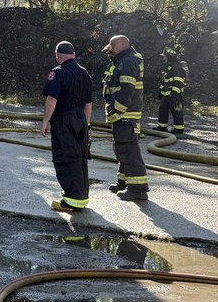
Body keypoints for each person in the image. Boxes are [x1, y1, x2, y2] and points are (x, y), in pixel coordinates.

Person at [41, 40, 93, 213]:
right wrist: (85, 124)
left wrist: (45, 121)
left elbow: (52, 99)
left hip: (64, 119)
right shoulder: (85, 74)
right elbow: (88, 104)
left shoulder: (58, 73)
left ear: (58, 55)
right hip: (81, 120)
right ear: (74, 55)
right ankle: (81, 197)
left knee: (65, 157)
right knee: (80, 158)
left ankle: (71, 200)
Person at [102, 34, 149, 202]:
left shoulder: (128, 61)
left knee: (129, 150)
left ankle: (138, 189)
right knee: (122, 147)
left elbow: (126, 90)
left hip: (125, 114)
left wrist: (116, 112)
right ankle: (124, 182)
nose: (110, 51)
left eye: (111, 47)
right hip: (124, 114)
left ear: (121, 45)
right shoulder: (123, 60)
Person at [154, 41, 188, 135]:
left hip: (175, 94)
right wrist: (161, 91)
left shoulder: (177, 67)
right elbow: (165, 81)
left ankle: (179, 128)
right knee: (162, 110)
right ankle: (162, 126)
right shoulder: (168, 67)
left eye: (164, 56)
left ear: (169, 57)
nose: (163, 58)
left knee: (176, 110)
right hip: (167, 94)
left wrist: (175, 94)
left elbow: (178, 81)